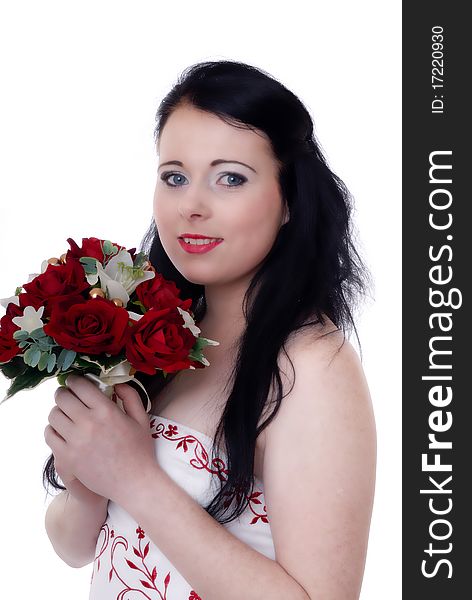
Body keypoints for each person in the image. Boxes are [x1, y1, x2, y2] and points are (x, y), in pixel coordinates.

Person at [43, 60, 376, 600]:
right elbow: (76, 548)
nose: (192, 206)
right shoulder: (156, 334)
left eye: (231, 178)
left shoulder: (312, 365)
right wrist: (85, 478)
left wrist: (134, 477)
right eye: (175, 176)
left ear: (289, 198)